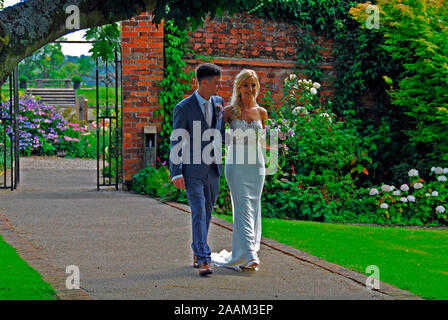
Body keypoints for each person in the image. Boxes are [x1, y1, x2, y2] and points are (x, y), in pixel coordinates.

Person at [169, 63, 225, 276]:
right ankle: (204, 259)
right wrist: (176, 172)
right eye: (217, 83)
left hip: (213, 170)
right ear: (204, 83)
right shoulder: (183, 108)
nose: (220, 87)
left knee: (207, 213)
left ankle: (197, 248)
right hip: (192, 170)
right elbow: (177, 141)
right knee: (199, 213)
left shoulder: (219, 103)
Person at [211, 69, 268, 271]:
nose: (250, 89)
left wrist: (276, 144)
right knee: (243, 206)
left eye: (253, 85)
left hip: (256, 167)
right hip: (236, 166)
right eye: (246, 84)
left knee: (253, 207)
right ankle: (250, 255)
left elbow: (263, 142)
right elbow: (216, 137)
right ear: (239, 87)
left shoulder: (262, 113)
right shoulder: (228, 112)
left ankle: (247, 250)